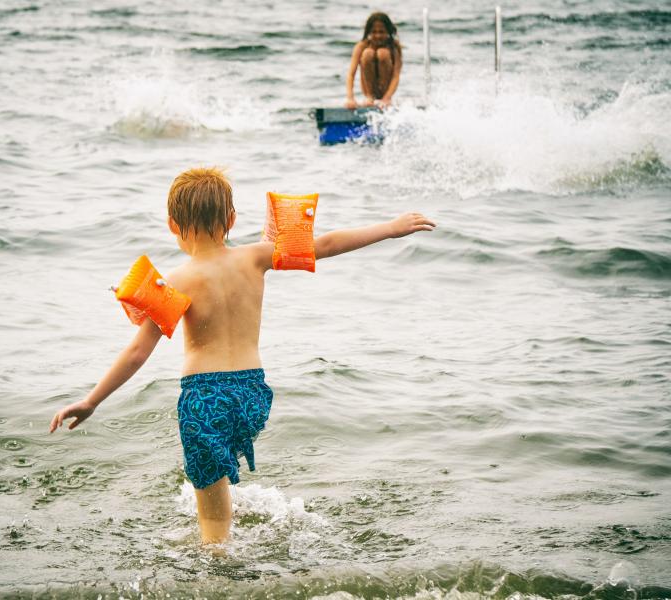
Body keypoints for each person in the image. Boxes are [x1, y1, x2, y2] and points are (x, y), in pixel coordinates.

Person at [49, 167, 435, 545]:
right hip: (253, 395)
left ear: (171, 224)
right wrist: (391, 227)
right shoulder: (256, 257)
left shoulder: (177, 281)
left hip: (204, 398)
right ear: (232, 219)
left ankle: (218, 569)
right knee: (219, 482)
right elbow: (328, 244)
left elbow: (137, 352)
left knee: (212, 520)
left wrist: (91, 400)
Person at [345, 12, 403, 110]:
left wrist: (387, 98)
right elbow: (351, 74)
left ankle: (384, 97)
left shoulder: (394, 47)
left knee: (383, 53)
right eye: (374, 32)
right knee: (368, 53)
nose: (378, 36)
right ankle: (370, 97)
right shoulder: (361, 46)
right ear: (368, 33)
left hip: (386, 89)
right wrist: (350, 98)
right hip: (368, 90)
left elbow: (396, 76)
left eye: (381, 32)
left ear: (388, 32)